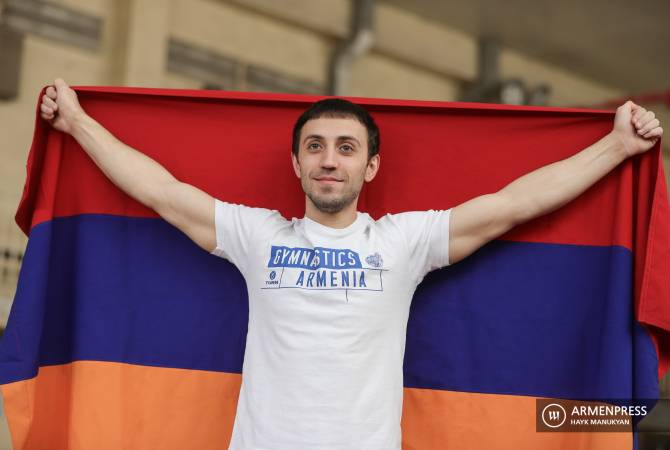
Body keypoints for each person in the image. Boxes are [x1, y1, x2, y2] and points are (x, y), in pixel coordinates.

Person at [39, 78, 663, 450]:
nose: (328, 160)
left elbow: (513, 204)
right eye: (315, 147)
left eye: (345, 148)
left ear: (370, 168)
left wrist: (616, 146)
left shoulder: (403, 243)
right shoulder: (257, 235)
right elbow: (161, 192)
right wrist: (76, 122)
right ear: (297, 165)